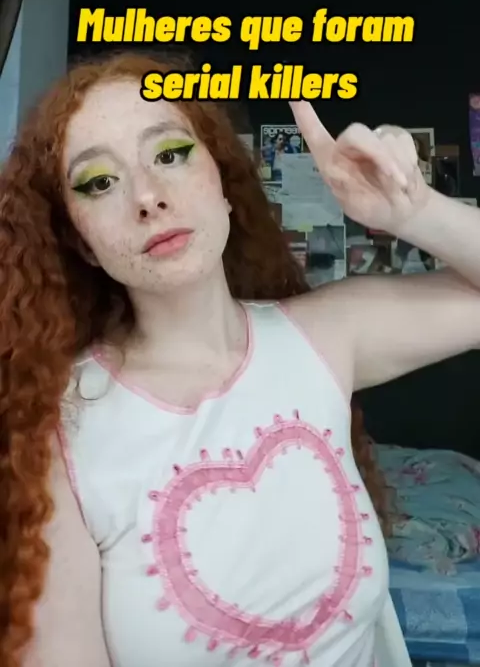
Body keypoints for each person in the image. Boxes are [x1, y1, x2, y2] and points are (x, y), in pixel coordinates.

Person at [2, 52, 480, 667]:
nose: (147, 196)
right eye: (99, 182)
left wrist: (414, 212)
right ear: (81, 241)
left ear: (225, 186)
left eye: (170, 154)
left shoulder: (322, 337)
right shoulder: (58, 428)